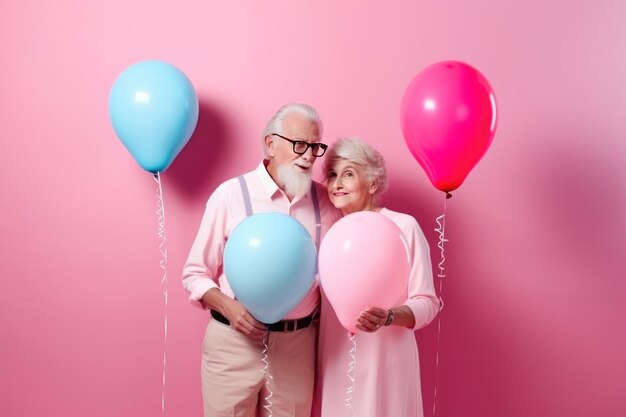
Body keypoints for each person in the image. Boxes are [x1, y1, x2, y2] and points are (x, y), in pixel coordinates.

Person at [183, 103, 342, 417]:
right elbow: (194, 273)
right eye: (300, 145)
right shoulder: (231, 195)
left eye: (315, 146)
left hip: (297, 346)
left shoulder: (327, 202)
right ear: (270, 144)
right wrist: (230, 307)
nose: (309, 155)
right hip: (233, 342)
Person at [313, 137, 440, 417]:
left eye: (348, 174)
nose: (337, 183)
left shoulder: (404, 227)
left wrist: (390, 316)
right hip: (337, 362)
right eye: (332, 175)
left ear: (372, 183)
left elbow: (427, 301)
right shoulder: (328, 235)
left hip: (388, 364)